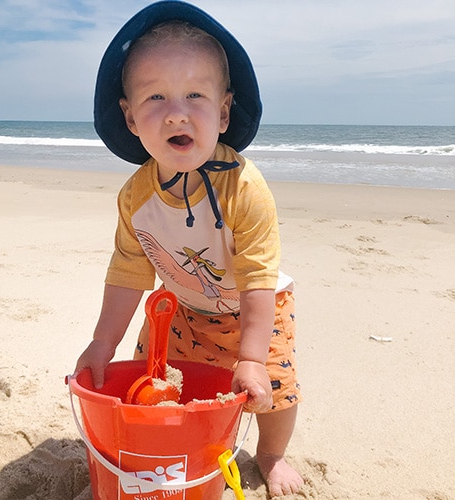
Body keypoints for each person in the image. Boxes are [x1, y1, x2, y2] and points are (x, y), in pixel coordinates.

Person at [74, 1, 303, 496]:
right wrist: (102, 343)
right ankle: (168, 445)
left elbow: (259, 276)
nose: (176, 111)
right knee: (155, 383)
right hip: (180, 308)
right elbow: (128, 272)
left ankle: (270, 454)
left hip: (254, 308)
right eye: (155, 96)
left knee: (274, 392)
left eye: (195, 94)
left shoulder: (244, 188)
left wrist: (251, 356)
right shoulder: (136, 196)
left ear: (223, 112)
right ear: (130, 118)